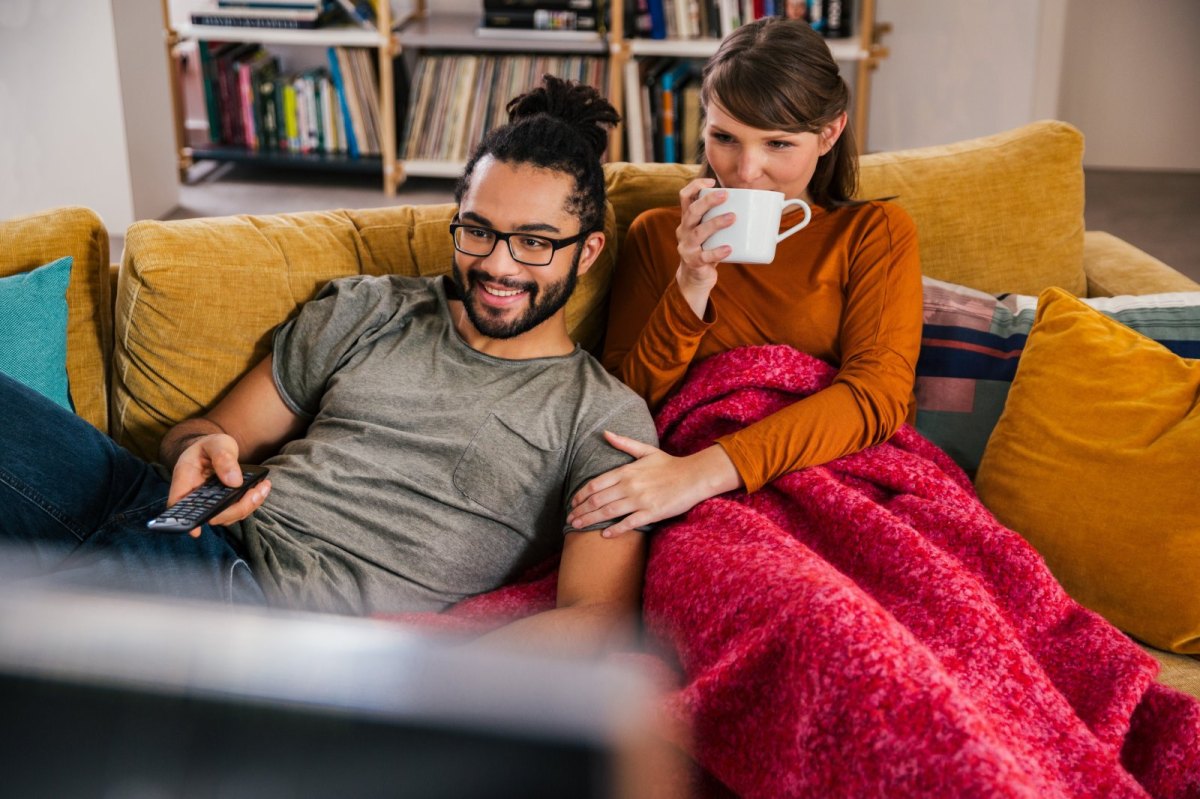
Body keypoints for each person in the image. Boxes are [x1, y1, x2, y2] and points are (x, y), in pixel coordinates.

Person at [2, 76, 657, 652]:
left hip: (248, 597)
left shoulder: (599, 418)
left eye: (535, 242)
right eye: (478, 229)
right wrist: (203, 449)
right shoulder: (372, 308)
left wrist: (418, 683)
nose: (498, 264)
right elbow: (203, 432)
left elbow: (594, 617)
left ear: (589, 250)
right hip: (153, 502)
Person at [567, 16, 922, 533]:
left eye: (778, 144)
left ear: (829, 133)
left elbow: (878, 396)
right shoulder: (657, 235)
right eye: (725, 137)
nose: (746, 169)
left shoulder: (874, 232)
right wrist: (691, 281)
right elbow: (625, 403)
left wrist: (701, 474)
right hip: (694, 497)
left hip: (826, 472)